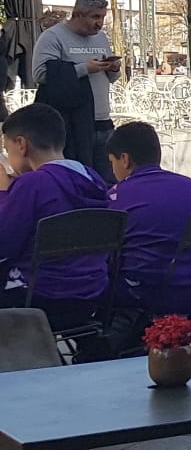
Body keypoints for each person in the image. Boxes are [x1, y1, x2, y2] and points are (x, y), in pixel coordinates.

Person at [0, 103, 111, 333]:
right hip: (92, 291)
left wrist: (4, 192)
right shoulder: (93, 178)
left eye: (7, 150)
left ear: (21, 144)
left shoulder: (31, 185)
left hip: (38, 295)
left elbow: (5, 244)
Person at [106, 121, 191, 316]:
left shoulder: (117, 196)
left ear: (124, 159)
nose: (113, 170)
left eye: (112, 162)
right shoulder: (190, 186)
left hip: (151, 292)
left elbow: (107, 254)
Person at [31, 0, 119, 181]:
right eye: (95, 16)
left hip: (103, 122)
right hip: (73, 125)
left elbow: (111, 78)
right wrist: (83, 68)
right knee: (78, 181)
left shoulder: (101, 37)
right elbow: (40, 74)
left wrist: (113, 68)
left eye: (103, 17)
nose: (100, 22)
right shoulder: (52, 37)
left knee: (109, 183)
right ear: (78, 14)